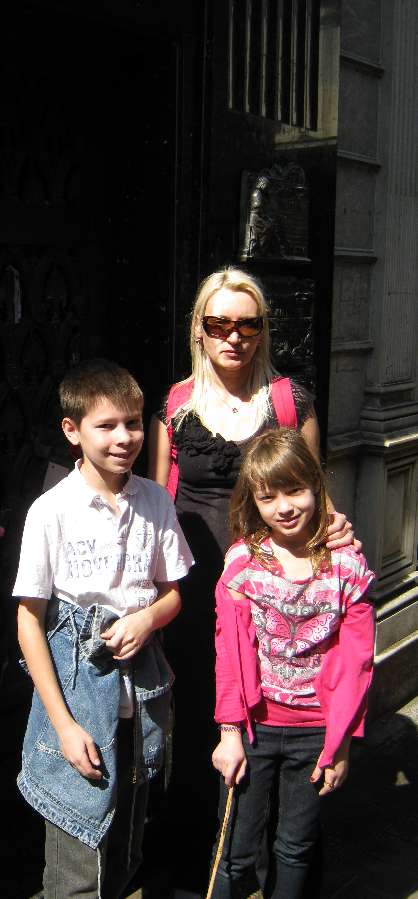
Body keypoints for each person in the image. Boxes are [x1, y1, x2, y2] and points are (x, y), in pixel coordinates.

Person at [145, 266, 356, 892]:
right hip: (196, 598)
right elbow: (157, 502)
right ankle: (209, 866)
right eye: (219, 324)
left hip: (278, 602)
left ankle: (279, 863)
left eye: (247, 324)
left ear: (263, 330)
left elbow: (315, 497)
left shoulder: (290, 403)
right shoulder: (176, 406)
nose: (233, 337)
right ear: (199, 331)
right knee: (202, 723)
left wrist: (336, 534)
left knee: (273, 725)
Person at [13, 358, 194, 899]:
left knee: (124, 850)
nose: (124, 438)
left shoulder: (155, 501)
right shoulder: (52, 511)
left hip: (140, 704)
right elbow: (29, 622)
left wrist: (146, 617)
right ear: (72, 430)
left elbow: (172, 593)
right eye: (106, 425)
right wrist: (63, 727)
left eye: (133, 423)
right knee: (76, 867)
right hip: (77, 706)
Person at [209, 427, 375, 898]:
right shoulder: (243, 565)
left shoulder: (347, 569)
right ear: (253, 501)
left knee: (296, 848)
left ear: (316, 487)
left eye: (295, 491)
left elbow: (357, 662)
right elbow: (230, 652)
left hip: (316, 732)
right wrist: (229, 730)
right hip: (254, 729)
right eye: (268, 497)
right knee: (234, 850)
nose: (283, 507)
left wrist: (340, 743)